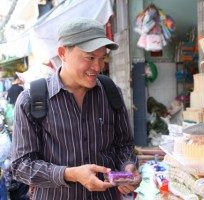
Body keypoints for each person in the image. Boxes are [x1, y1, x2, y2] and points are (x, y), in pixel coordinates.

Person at [11, 17, 141, 200]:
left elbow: (124, 144)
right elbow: (21, 166)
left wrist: (128, 166)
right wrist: (69, 174)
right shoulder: (31, 99)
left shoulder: (111, 93)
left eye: (101, 58)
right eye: (89, 57)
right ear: (63, 53)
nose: (97, 67)